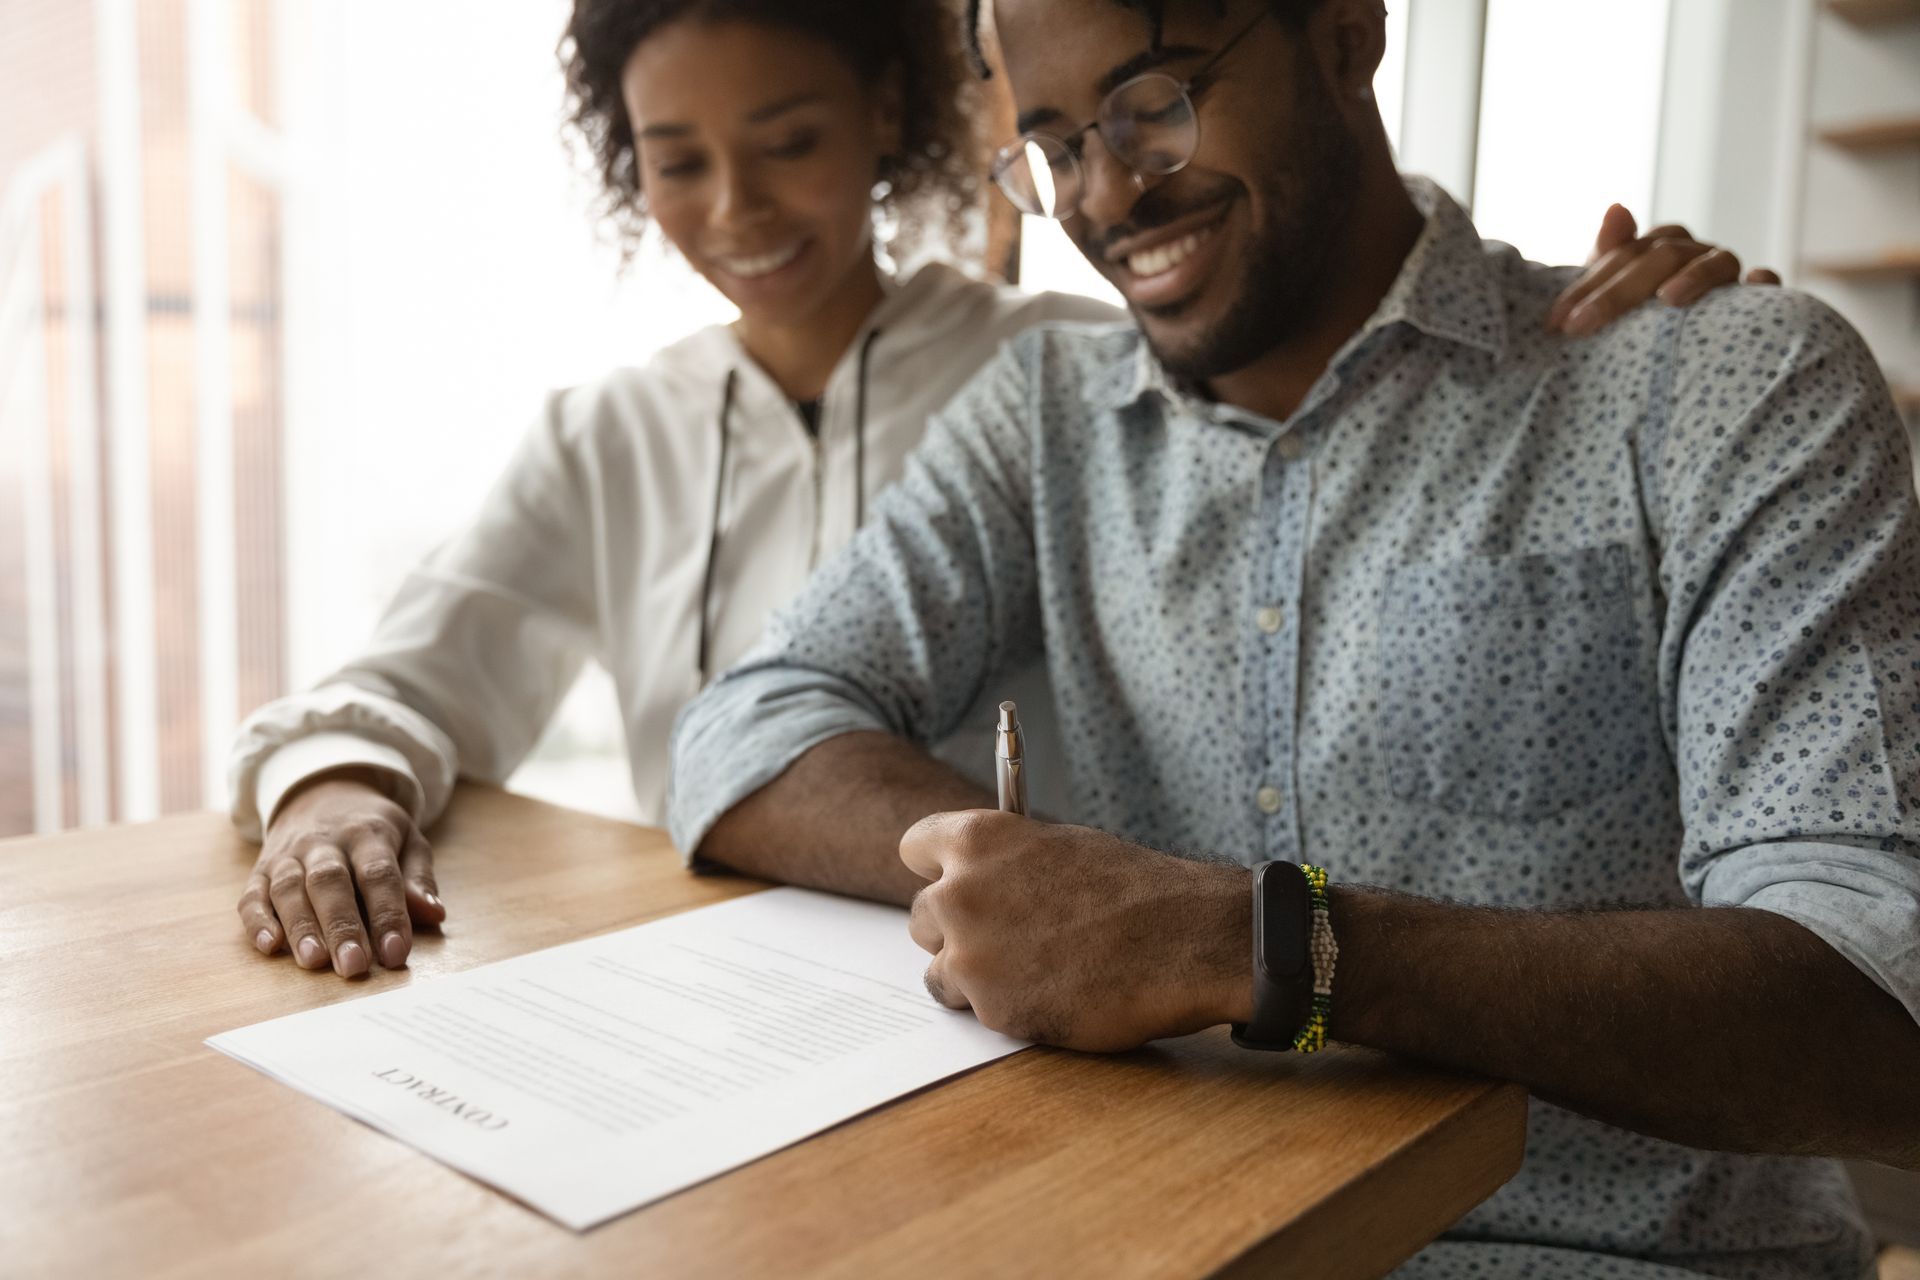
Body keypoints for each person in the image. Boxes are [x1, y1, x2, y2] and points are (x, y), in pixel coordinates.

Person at [668, 1, 1920, 1277]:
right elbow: (746, 727)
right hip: (1178, 1242)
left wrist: (1251, 939)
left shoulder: (1721, 385)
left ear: (1343, 33)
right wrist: (1022, 883)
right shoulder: (1044, 420)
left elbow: (1882, 1009)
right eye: (1054, 147)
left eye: (1156, 105)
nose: (1109, 196)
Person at [229, 0, 1752, 982]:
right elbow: (474, 682)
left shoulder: (1077, 360)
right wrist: (333, 785)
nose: (738, 208)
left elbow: (1332, 347)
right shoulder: (618, 432)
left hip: (1059, 1020)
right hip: (770, 996)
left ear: (886, 125)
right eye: (676, 162)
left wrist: (1625, 329)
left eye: (788, 143)